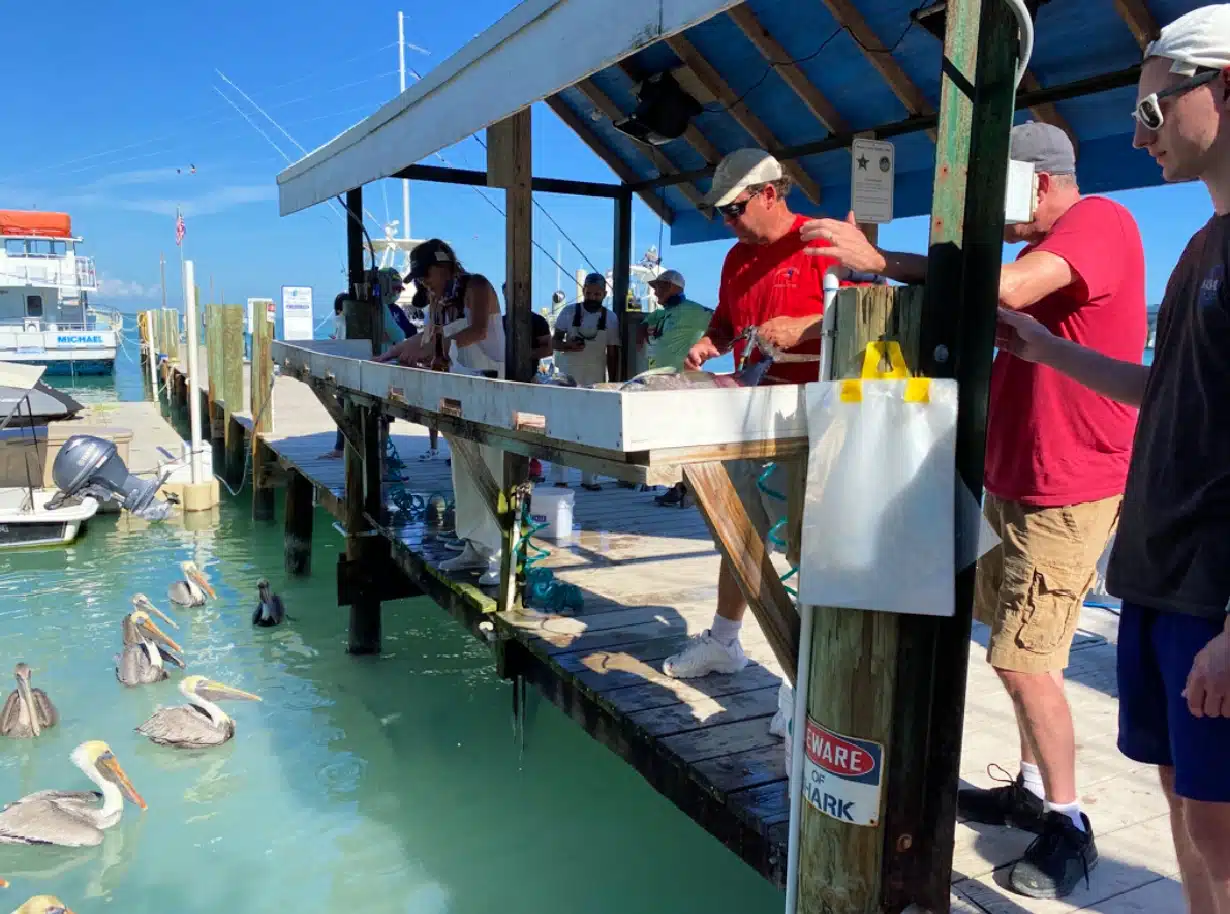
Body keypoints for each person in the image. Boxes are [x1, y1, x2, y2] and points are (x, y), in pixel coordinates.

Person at [775, 123, 1148, 899]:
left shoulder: (1100, 221)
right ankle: (1021, 786)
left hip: (1068, 488)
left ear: (1039, 183)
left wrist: (882, 263)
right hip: (1014, 476)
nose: (992, 221)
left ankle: (1070, 820)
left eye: (1000, 196)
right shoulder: (1040, 250)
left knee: (1025, 660)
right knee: (1004, 648)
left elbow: (1002, 292)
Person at [997, 10, 1230, 912]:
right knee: (1186, 811)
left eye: (1152, 112)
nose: (1143, 136)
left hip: (1211, 596)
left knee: (1220, 830)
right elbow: (1161, 388)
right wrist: (1042, 347)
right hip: (1158, 580)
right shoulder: (1199, 248)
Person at [662, 148, 844, 679]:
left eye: (734, 210)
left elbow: (869, 317)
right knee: (735, 528)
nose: (728, 223)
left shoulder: (824, 243)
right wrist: (706, 344)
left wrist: (805, 327)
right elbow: (725, 321)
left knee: (809, 552)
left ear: (770, 193)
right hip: (745, 418)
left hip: (808, 425)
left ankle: (810, 677)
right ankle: (724, 640)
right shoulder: (736, 257)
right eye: (719, 213)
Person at [389, 239, 506, 586]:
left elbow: (479, 331)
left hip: (492, 388)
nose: (424, 282)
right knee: (463, 470)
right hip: (457, 393)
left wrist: (438, 345)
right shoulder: (437, 302)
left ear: (445, 265)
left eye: (426, 274)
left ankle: (501, 552)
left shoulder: (476, 286)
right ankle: (474, 543)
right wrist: (411, 354)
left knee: (494, 469)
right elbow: (431, 345)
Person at [638, 268, 712, 507]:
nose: (654, 291)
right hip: (660, 383)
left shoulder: (696, 311)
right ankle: (675, 486)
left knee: (681, 436)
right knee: (665, 435)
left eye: (658, 286)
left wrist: (704, 354)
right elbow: (647, 321)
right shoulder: (664, 313)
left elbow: (725, 324)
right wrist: (642, 328)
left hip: (681, 382)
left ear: (673, 288)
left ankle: (686, 488)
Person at [549, 273, 620, 491]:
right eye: (589, 293)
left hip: (595, 379)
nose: (593, 297)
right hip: (567, 377)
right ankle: (560, 477)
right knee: (562, 424)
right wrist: (568, 345)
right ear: (583, 291)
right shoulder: (569, 312)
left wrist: (614, 382)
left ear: (604, 294)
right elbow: (554, 341)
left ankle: (590, 478)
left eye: (597, 294)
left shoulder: (610, 318)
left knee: (592, 427)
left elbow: (613, 351)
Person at [322, 293, 349, 459]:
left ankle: (340, 448)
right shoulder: (347, 320)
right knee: (343, 409)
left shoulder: (340, 320)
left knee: (341, 409)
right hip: (349, 370)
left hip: (344, 372)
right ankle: (340, 447)